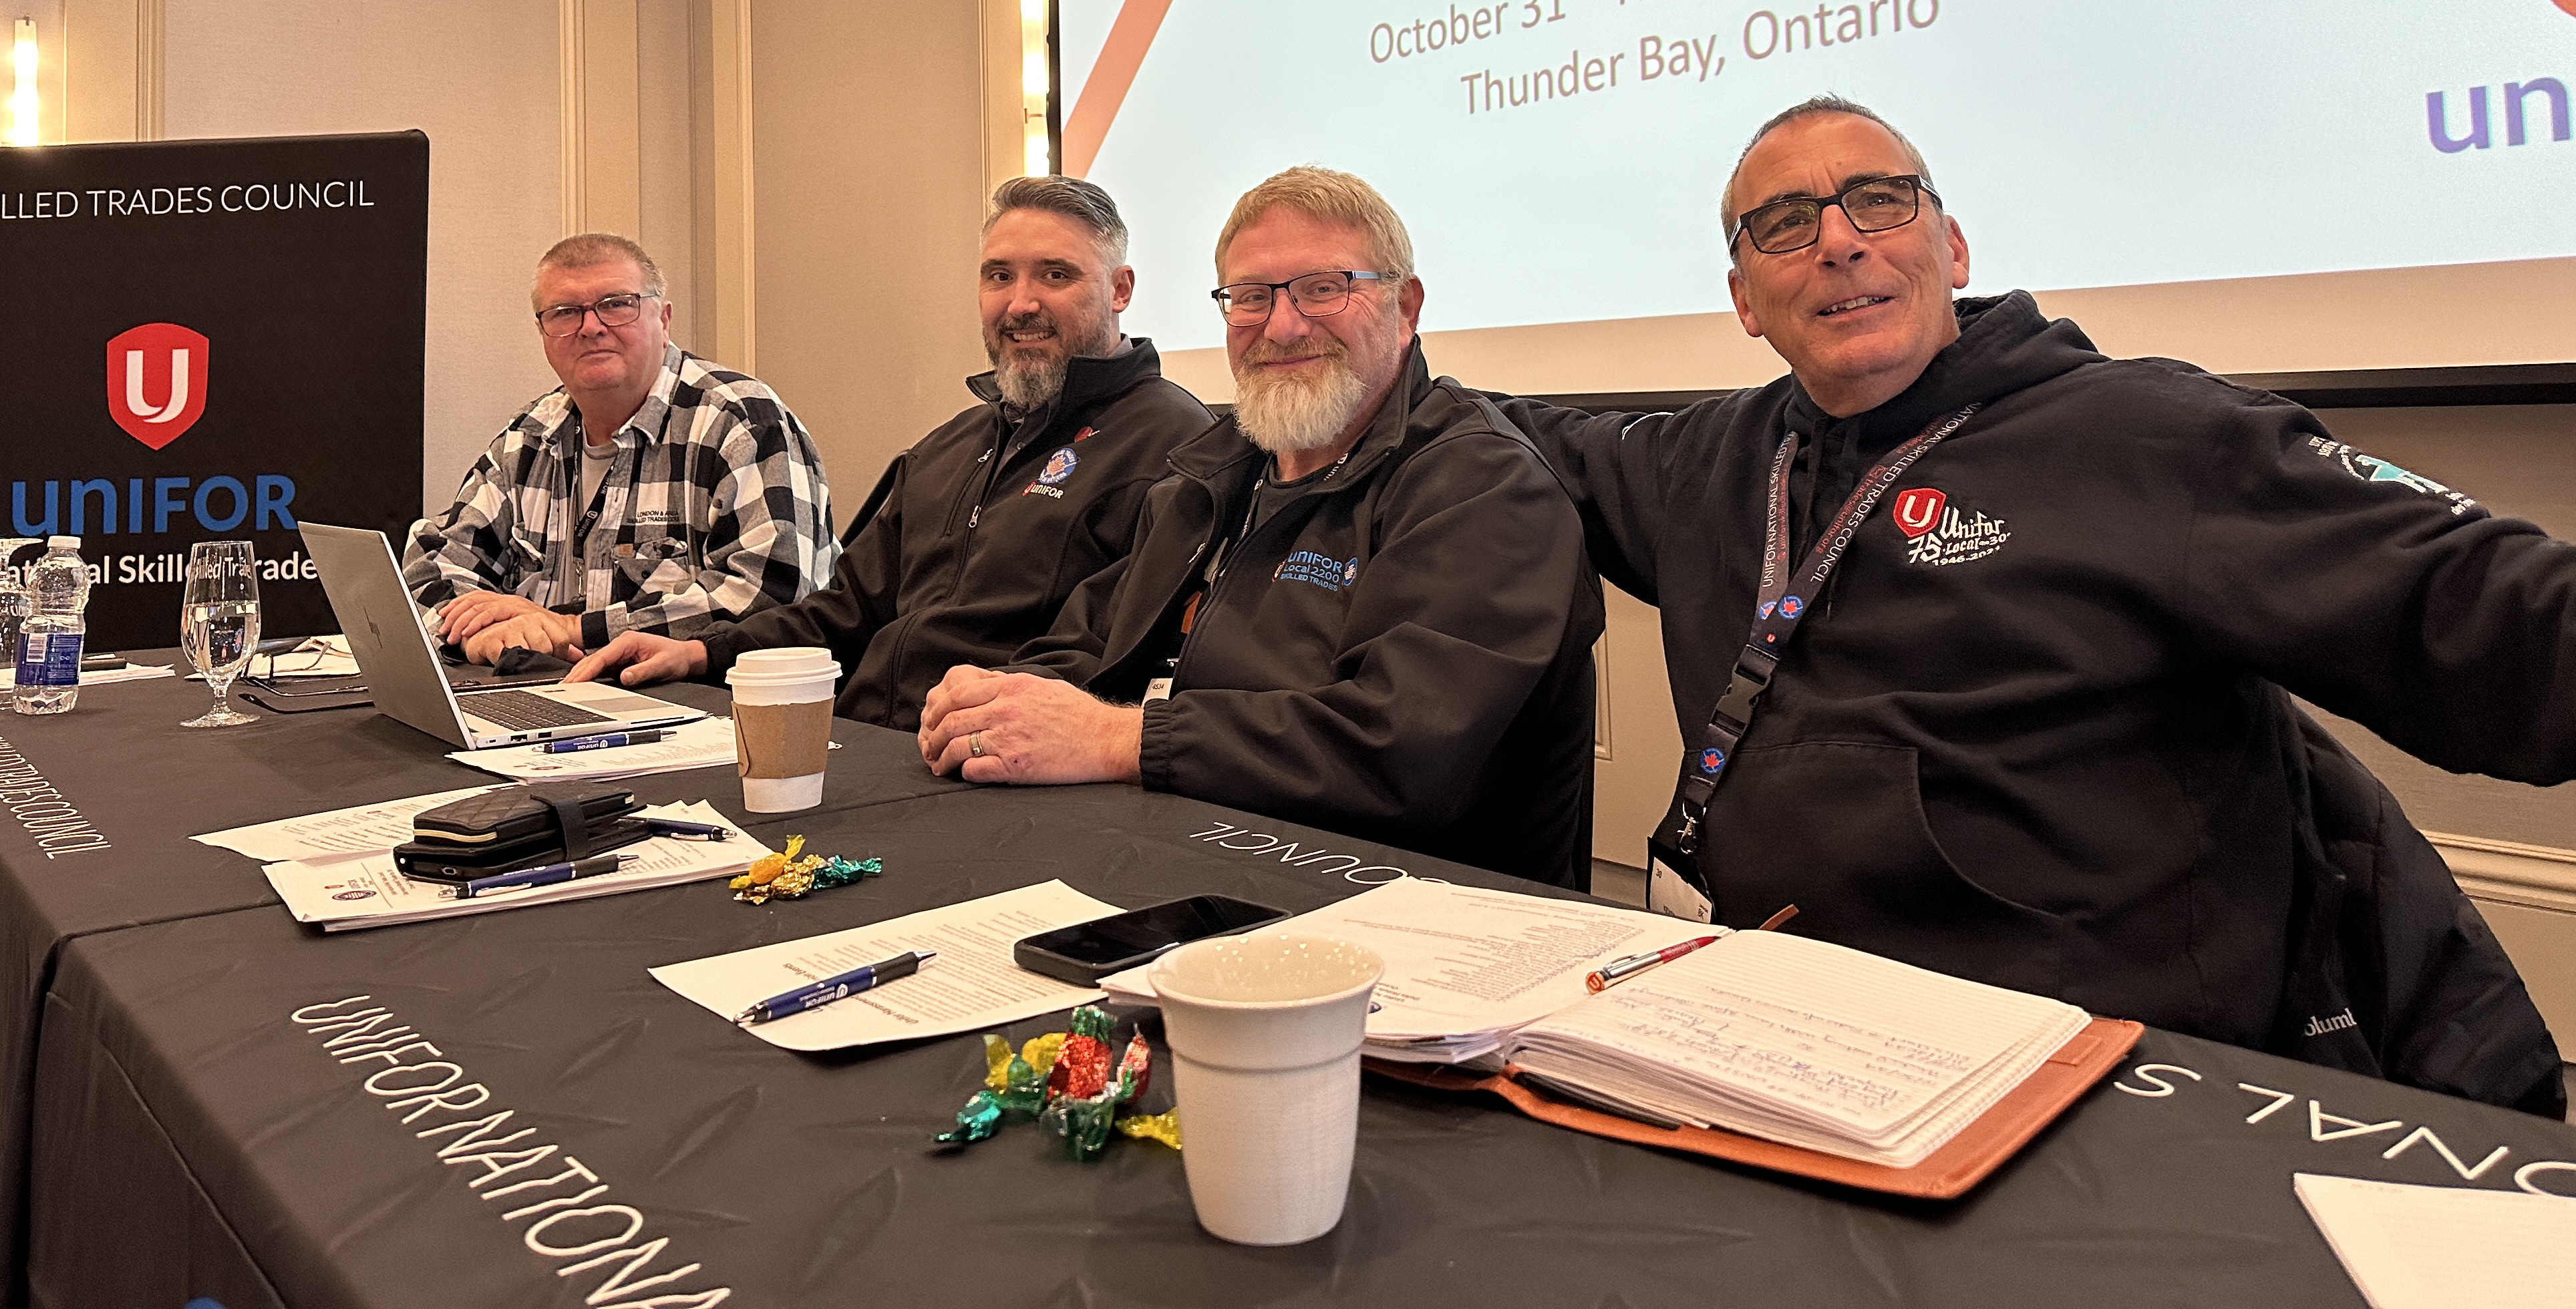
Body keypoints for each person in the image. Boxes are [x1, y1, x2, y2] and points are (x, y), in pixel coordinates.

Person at [1496, 94, 2575, 1109]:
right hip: (1786, 1047)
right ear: (1742, 296)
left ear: (1949, 245)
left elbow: (2485, 608)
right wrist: (1350, 326)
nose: (1837, 239)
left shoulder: (2151, 436)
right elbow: (1507, 436)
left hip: (2108, 1079)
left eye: (1879, 199)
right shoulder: (1707, 462)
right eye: (1782, 223)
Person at [917, 167, 1605, 888]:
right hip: (1178, 864)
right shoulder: (1208, 479)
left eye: (1322, 288)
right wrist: (993, 706)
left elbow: (1400, 756)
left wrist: (1120, 739)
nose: (1282, 325)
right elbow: (1086, 646)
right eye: (1251, 297)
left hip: (1401, 923)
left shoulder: (1485, 488)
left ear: (1405, 307)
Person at [567, 177, 1213, 727]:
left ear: (1121, 289)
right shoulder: (948, 447)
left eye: (1056, 274)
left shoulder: (1178, 448)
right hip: (862, 741)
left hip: (998, 767)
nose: (1021, 303)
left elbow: (1110, 653)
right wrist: (705, 654)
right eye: (999, 276)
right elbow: (844, 614)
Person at [404, 232, 833, 665]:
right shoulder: (529, 437)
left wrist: (572, 628)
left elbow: (774, 597)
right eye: (565, 312)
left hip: (698, 712)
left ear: (663, 320)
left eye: (616, 304)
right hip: (543, 700)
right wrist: (474, 635)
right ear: (543, 333)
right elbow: (431, 566)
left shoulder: (741, 423)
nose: (591, 327)